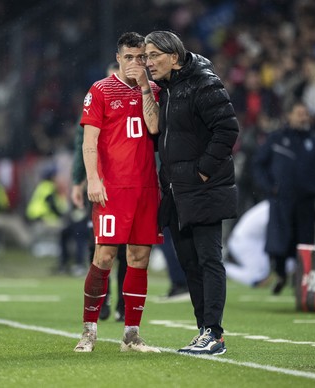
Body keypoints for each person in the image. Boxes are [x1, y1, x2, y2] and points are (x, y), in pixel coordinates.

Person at [144, 31, 239, 355]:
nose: (148, 61)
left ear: (174, 56)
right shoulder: (169, 88)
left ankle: (214, 332)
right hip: (177, 189)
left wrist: (203, 171)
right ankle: (204, 330)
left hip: (202, 187)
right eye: (145, 55)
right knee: (191, 264)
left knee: (209, 259)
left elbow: (227, 129)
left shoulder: (203, 82)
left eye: (154, 54)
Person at [73, 32, 163, 353]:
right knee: (105, 257)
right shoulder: (100, 89)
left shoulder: (153, 91)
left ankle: (131, 335)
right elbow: (89, 142)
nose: (136, 64)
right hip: (112, 190)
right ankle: (89, 332)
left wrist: (143, 88)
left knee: (139, 259)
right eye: (129, 57)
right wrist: (92, 180)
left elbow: (154, 128)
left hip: (145, 189)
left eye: (141, 58)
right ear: (119, 57)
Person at [253, 101, 315, 295]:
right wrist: (269, 187)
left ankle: (302, 281)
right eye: (298, 113)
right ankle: (280, 274)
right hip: (281, 201)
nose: (302, 117)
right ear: (289, 116)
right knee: (279, 242)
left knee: (305, 242)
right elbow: (258, 165)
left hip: (306, 202)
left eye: (305, 114)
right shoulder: (276, 139)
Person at [70, 61, 127, 322]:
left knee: (127, 251)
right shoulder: (96, 101)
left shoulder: (134, 105)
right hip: (101, 185)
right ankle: (102, 303)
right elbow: (81, 145)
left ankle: (123, 305)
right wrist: (79, 181)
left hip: (127, 184)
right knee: (100, 248)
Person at [225, 200, 271, 287]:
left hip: (254, 241)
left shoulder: (268, 205)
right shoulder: (271, 207)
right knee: (257, 276)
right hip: (244, 242)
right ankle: (223, 268)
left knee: (264, 271)